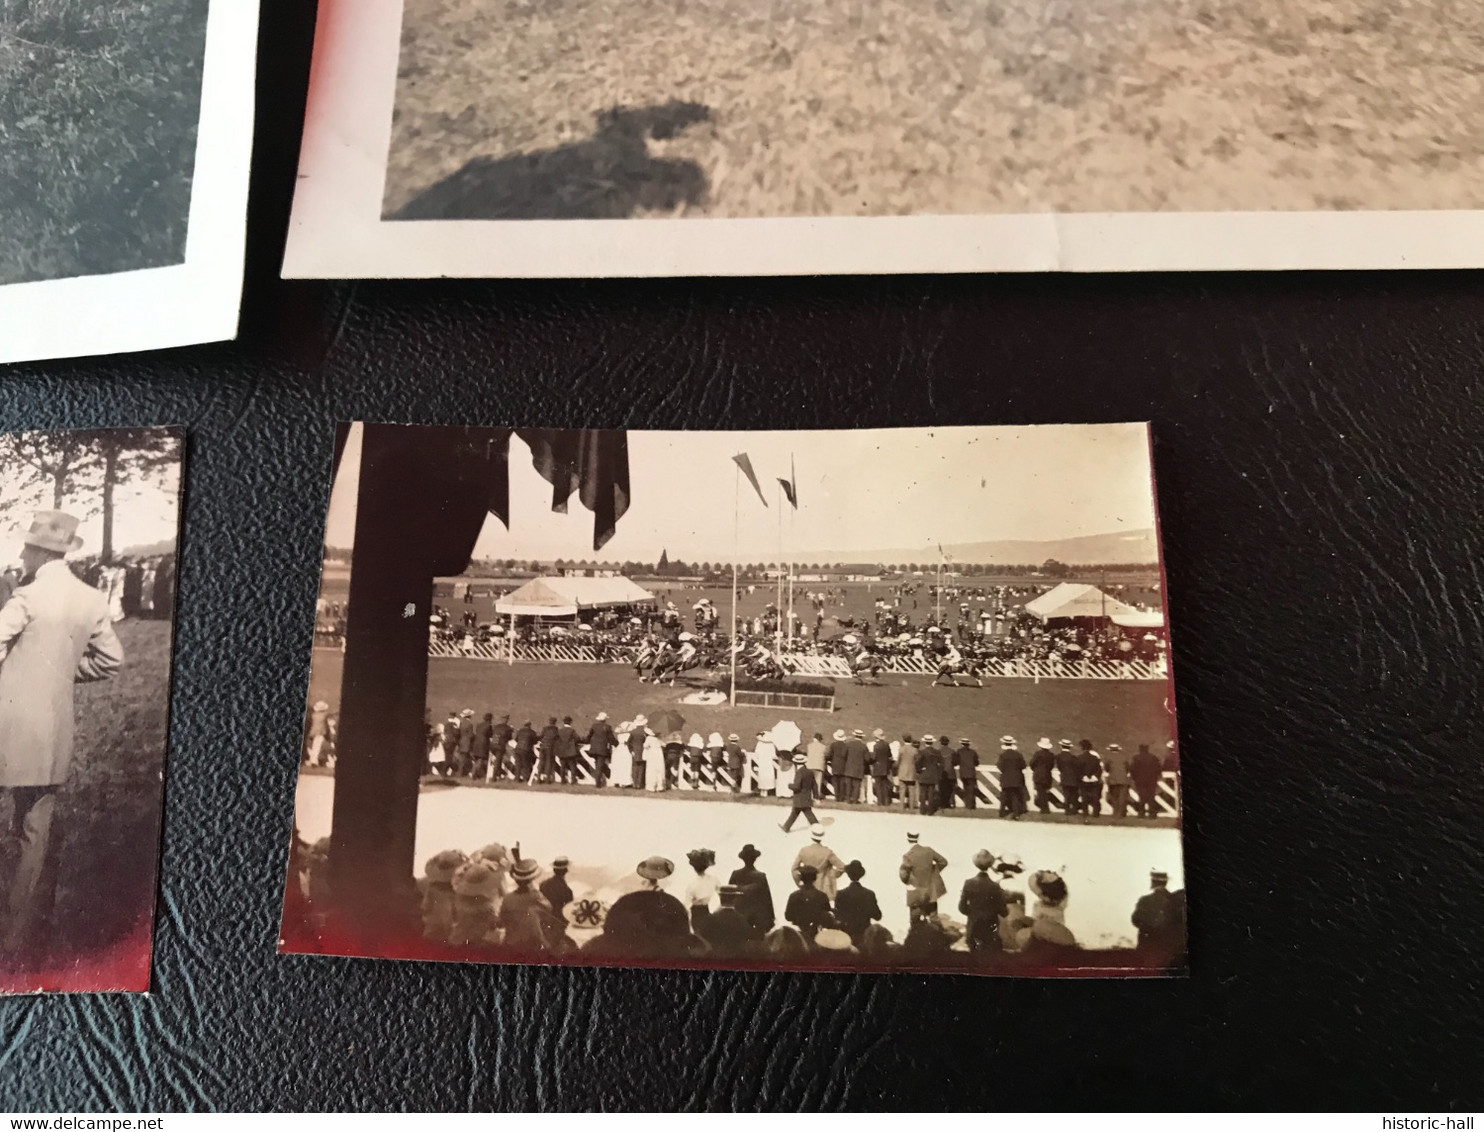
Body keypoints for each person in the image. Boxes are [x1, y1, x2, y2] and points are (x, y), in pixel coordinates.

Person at [0, 511, 125, 954]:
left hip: (5, 721)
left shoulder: (28, 596)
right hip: (52, 733)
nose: (20, 553)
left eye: (26, 547)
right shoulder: (91, 599)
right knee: (35, 830)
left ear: (40, 552)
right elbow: (110, 661)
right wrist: (62, 674)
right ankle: (14, 939)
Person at [496, 858, 555, 952]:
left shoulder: (507, 898)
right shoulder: (536, 897)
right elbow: (549, 912)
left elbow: (501, 922)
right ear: (532, 879)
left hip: (510, 945)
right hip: (532, 946)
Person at [959, 850, 1009, 953]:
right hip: (990, 930)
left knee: (973, 958)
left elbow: (962, 908)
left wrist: (973, 913)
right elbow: (1004, 912)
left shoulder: (969, 883)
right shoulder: (995, 886)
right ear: (990, 865)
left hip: (973, 928)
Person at [1131, 869, 1184, 955]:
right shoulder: (1177, 900)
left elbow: (1135, 919)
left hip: (1148, 947)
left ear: (1153, 882)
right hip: (1171, 949)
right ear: (1166, 882)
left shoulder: (1145, 900)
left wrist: (1150, 928)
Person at [899, 831, 948, 924]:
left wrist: (910, 881)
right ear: (917, 839)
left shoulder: (908, 856)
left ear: (907, 840)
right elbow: (943, 862)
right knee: (933, 917)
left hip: (916, 892)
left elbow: (903, 875)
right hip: (931, 891)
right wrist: (933, 872)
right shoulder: (928, 850)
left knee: (915, 920)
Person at [728, 844, 775, 935]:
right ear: (755, 859)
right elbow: (767, 899)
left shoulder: (735, 874)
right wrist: (770, 918)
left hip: (739, 916)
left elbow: (729, 896)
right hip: (757, 918)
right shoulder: (760, 876)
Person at [833, 860, 882, 947]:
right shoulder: (869, 894)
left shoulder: (840, 894)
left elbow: (837, 916)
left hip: (847, 937)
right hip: (864, 937)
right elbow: (877, 916)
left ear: (848, 875)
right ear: (861, 875)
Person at [791, 824, 845, 903]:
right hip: (824, 887)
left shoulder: (804, 851)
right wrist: (832, 874)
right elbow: (842, 867)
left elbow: (794, 869)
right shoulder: (827, 852)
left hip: (808, 885)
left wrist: (800, 883)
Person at [784, 865, 831, 941]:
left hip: (799, 935)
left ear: (801, 878)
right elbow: (827, 915)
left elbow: (788, 916)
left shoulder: (794, 896)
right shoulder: (822, 896)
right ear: (815, 878)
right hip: (816, 934)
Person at [680, 848, 720, 936]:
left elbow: (686, 905)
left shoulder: (692, 884)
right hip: (707, 912)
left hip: (696, 915)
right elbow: (721, 895)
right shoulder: (713, 879)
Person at [780, 753, 820, 832]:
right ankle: (786, 827)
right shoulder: (809, 772)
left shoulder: (799, 772)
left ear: (796, 763)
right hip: (807, 797)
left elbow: (796, 786)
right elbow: (814, 785)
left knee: (800, 812)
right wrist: (816, 797)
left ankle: (786, 827)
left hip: (799, 797)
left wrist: (789, 785)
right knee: (801, 812)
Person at [997, 736, 1027, 818]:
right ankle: (1016, 814)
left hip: (1006, 778)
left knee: (1004, 796)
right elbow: (1023, 765)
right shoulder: (1018, 755)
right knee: (1015, 796)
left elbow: (1000, 766)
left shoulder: (1003, 755)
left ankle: (1002, 812)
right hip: (1016, 778)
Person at [1130, 743, 1163, 818]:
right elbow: (1159, 769)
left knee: (1142, 797)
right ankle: (1152, 814)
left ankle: (1141, 813)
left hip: (1140, 781)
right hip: (1152, 780)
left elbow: (1132, 770)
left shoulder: (1136, 758)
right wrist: (1156, 777)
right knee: (1151, 797)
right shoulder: (1154, 758)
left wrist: (1134, 778)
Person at [586, 712, 617, 788]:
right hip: (602, 748)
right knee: (600, 765)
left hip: (594, 748)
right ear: (605, 720)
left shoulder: (594, 726)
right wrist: (617, 744)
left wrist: (586, 742)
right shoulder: (607, 727)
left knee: (598, 765)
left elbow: (589, 736)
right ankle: (598, 783)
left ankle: (599, 780)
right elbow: (611, 738)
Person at [538, 856, 574, 923]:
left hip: (543, 921)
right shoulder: (567, 890)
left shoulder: (543, 884)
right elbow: (568, 912)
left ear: (554, 870)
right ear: (566, 871)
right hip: (558, 922)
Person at [1103, 742, 1133, 819]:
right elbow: (1128, 768)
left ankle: (1115, 812)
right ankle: (1122, 812)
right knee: (1122, 797)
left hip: (1113, 780)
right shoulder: (1124, 757)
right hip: (1123, 780)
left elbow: (1106, 768)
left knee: (1114, 797)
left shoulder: (1108, 757)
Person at [914, 739, 943, 816]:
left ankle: (922, 810)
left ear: (925, 742)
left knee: (923, 793)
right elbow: (941, 764)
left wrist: (919, 770)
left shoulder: (922, 752)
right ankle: (930, 810)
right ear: (932, 742)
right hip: (933, 774)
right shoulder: (937, 752)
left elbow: (917, 763)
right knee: (931, 793)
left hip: (924, 774)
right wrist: (937, 771)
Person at [1029, 737, 1057, 813]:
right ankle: (1044, 807)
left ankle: (1044, 808)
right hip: (1047, 775)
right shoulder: (1051, 755)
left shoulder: (1037, 754)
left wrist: (1036, 770)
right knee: (1044, 791)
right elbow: (1051, 765)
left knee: (1040, 792)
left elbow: (1032, 763)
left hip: (1038, 775)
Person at [840, 729, 868, 804]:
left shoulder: (848, 744)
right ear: (861, 737)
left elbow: (843, 755)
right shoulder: (864, 746)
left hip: (849, 767)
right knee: (856, 786)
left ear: (854, 736)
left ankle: (848, 799)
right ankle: (855, 800)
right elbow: (867, 758)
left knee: (848, 785)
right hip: (859, 768)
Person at [1078, 740, 1104, 819]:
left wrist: (1083, 776)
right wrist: (1094, 776)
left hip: (1084, 780)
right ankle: (1095, 813)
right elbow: (1099, 769)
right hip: (1094, 780)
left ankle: (1085, 812)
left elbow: (1078, 769)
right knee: (1095, 797)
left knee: (1084, 797)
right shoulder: (1094, 758)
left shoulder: (1080, 758)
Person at [955, 736, 981, 811]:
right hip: (971, 772)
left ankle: (968, 804)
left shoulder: (959, 751)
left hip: (963, 773)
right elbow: (976, 763)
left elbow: (956, 762)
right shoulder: (973, 752)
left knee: (966, 788)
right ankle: (971, 805)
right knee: (971, 789)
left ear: (962, 744)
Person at [1056, 739, 1081, 815]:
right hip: (1073, 778)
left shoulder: (1059, 756)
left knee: (1066, 795)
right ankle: (1074, 810)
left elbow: (1059, 767)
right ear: (1069, 747)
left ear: (1061, 746)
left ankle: (1067, 810)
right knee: (1074, 795)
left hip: (1065, 777)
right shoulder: (1073, 757)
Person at [869, 729, 893, 807]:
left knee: (878, 785)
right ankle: (886, 801)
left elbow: (874, 757)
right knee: (884, 785)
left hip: (878, 767)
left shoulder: (876, 746)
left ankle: (880, 801)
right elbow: (889, 755)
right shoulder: (886, 744)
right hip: (885, 767)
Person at [555, 716, 580, 784]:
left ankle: (562, 780)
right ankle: (573, 780)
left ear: (563, 722)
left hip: (562, 751)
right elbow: (577, 738)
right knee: (572, 766)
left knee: (562, 766)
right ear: (570, 722)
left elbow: (557, 739)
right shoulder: (572, 730)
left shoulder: (560, 730)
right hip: (570, 751)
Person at [896, 734, 918, 812]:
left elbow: (898, 761)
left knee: (902, 790)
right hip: (911, 771)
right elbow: (916, 761)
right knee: (911, 790)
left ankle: (901, 807)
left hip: (902, 771)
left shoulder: (901, 749)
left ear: (903, 740)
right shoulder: (914, 750)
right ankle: (911, 807)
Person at [826, 729, 849, 800]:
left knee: (835, 781)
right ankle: (842, 796)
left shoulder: (833, 745)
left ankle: (837, 796)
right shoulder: (846, 746)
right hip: (843, 765)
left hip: (835, 765)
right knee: (842, 782)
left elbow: (830, 755)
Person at [752, 731, 777, 796]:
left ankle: (762, 791)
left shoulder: (760, 743)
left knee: (762, 776)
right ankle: (766, 791)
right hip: (768, 763)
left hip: (762, 762)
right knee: (768, 776)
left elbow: (757, 753)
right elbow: (773, 755)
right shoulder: (771, 744)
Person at [804, 731, 828, 798]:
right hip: (819, 766)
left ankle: (808, 795)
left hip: (810, 766)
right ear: (820, 739)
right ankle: (816, 796)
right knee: (818, 782)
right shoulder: (823, 747)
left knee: (809, 782)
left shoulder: (809, 746)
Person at [935, 735, 956, 811]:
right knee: (951, 790)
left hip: (942, 773)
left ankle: (943, 804)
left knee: (942, 789)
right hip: (951, 773)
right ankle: (951, 803)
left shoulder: (938, 751)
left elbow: (937, 762)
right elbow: (955, 762)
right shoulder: (952, 751)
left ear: (941, 743)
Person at [627, 715, 648, 790]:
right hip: (643, 751)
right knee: (641, 767)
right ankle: (640, 783)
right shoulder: (645, 732)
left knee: (635, 767)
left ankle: (635, 783)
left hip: (635, 751)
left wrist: (631, 750)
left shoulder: (633, 732)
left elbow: (628, 742)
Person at [489, 713, 513, 781]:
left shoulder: (496, 726)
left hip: (493, 746)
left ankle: (499, 774)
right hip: (499, 747)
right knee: (498, 762)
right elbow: (509, 738)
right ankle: (494, 777)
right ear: (507, 720)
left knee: (497, 761)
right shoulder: (508, 728)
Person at [471, 712, 493, 781]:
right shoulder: (489, 726)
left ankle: (475, 773)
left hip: (476, 743)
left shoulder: (479, 725)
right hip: (483, 744)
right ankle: (475, 774)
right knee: (480, 759)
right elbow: (490, 734)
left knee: (477, 759)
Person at [537, 717, 560, 784]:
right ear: (555, 722)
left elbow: (541, 736)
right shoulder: (555, 729)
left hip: (543, 746)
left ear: (549, 722)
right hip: (549, 747)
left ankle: (538, 778)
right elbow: (557, 738)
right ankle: (547, 779)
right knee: (548, 763)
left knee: (541, 762)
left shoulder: (545, 728)